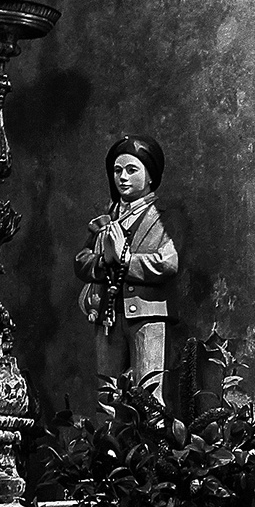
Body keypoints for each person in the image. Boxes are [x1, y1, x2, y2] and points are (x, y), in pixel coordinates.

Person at [74, 135, 180, 401]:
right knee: (107, 396)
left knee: (149, 395)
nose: (122, 177)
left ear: (151, 175)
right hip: (108, 317)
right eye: (117, 170)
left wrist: (125, 258)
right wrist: (103, 261)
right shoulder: (108, 217)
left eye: (132, 170)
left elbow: (168, 263)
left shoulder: (165, 217)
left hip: (148, 316)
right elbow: (81, 261)